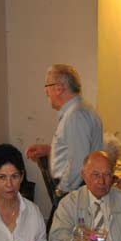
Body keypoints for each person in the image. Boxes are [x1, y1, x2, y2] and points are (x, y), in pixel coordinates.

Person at [26, 64, 103, 197]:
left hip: (73, 190)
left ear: (59, 88)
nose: (46, 91)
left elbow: (79, 162)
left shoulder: (76, 115)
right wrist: (50, 150)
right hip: (77, 188)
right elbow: (77, 149)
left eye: (47, 86)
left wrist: (62, 190)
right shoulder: (78, 111)